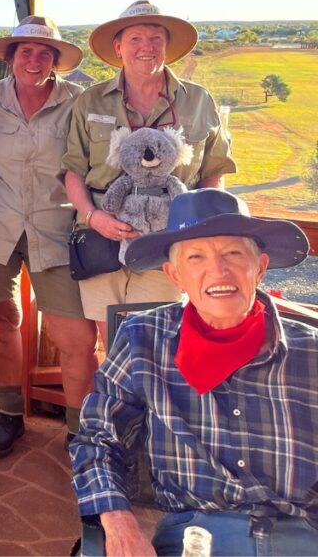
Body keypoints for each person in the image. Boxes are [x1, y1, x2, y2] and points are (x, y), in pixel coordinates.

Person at [70, 189, 316, 556]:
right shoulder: (144, 339)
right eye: (196, 257)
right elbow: (97, 438)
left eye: (233, 253)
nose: (217, 271)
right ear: (175, 274)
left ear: (260, 267)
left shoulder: (309, 352)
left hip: (299, 538)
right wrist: (117, 521)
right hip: (195, 539)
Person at [0, 17, 98, 456]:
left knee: (76, 338)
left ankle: (82, 432)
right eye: (26, 52)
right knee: (2, 322)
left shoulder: (77, 103)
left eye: (45, 53)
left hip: (55, 229)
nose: (35, 60)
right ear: (10, 57)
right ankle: (8, 414)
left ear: (56, 61)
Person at [63, 0, 236, 335]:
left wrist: (195, 229)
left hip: (168, 245)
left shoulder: (199, 101)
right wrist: (93, 217)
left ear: (167, 46)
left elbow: (213, 172)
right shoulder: (91, 101)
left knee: (161, 338)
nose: (146, 48)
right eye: (135, 39)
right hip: (102, 240)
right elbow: (73, 171)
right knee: (109, 339)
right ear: (118, 47)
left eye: (155, 38)